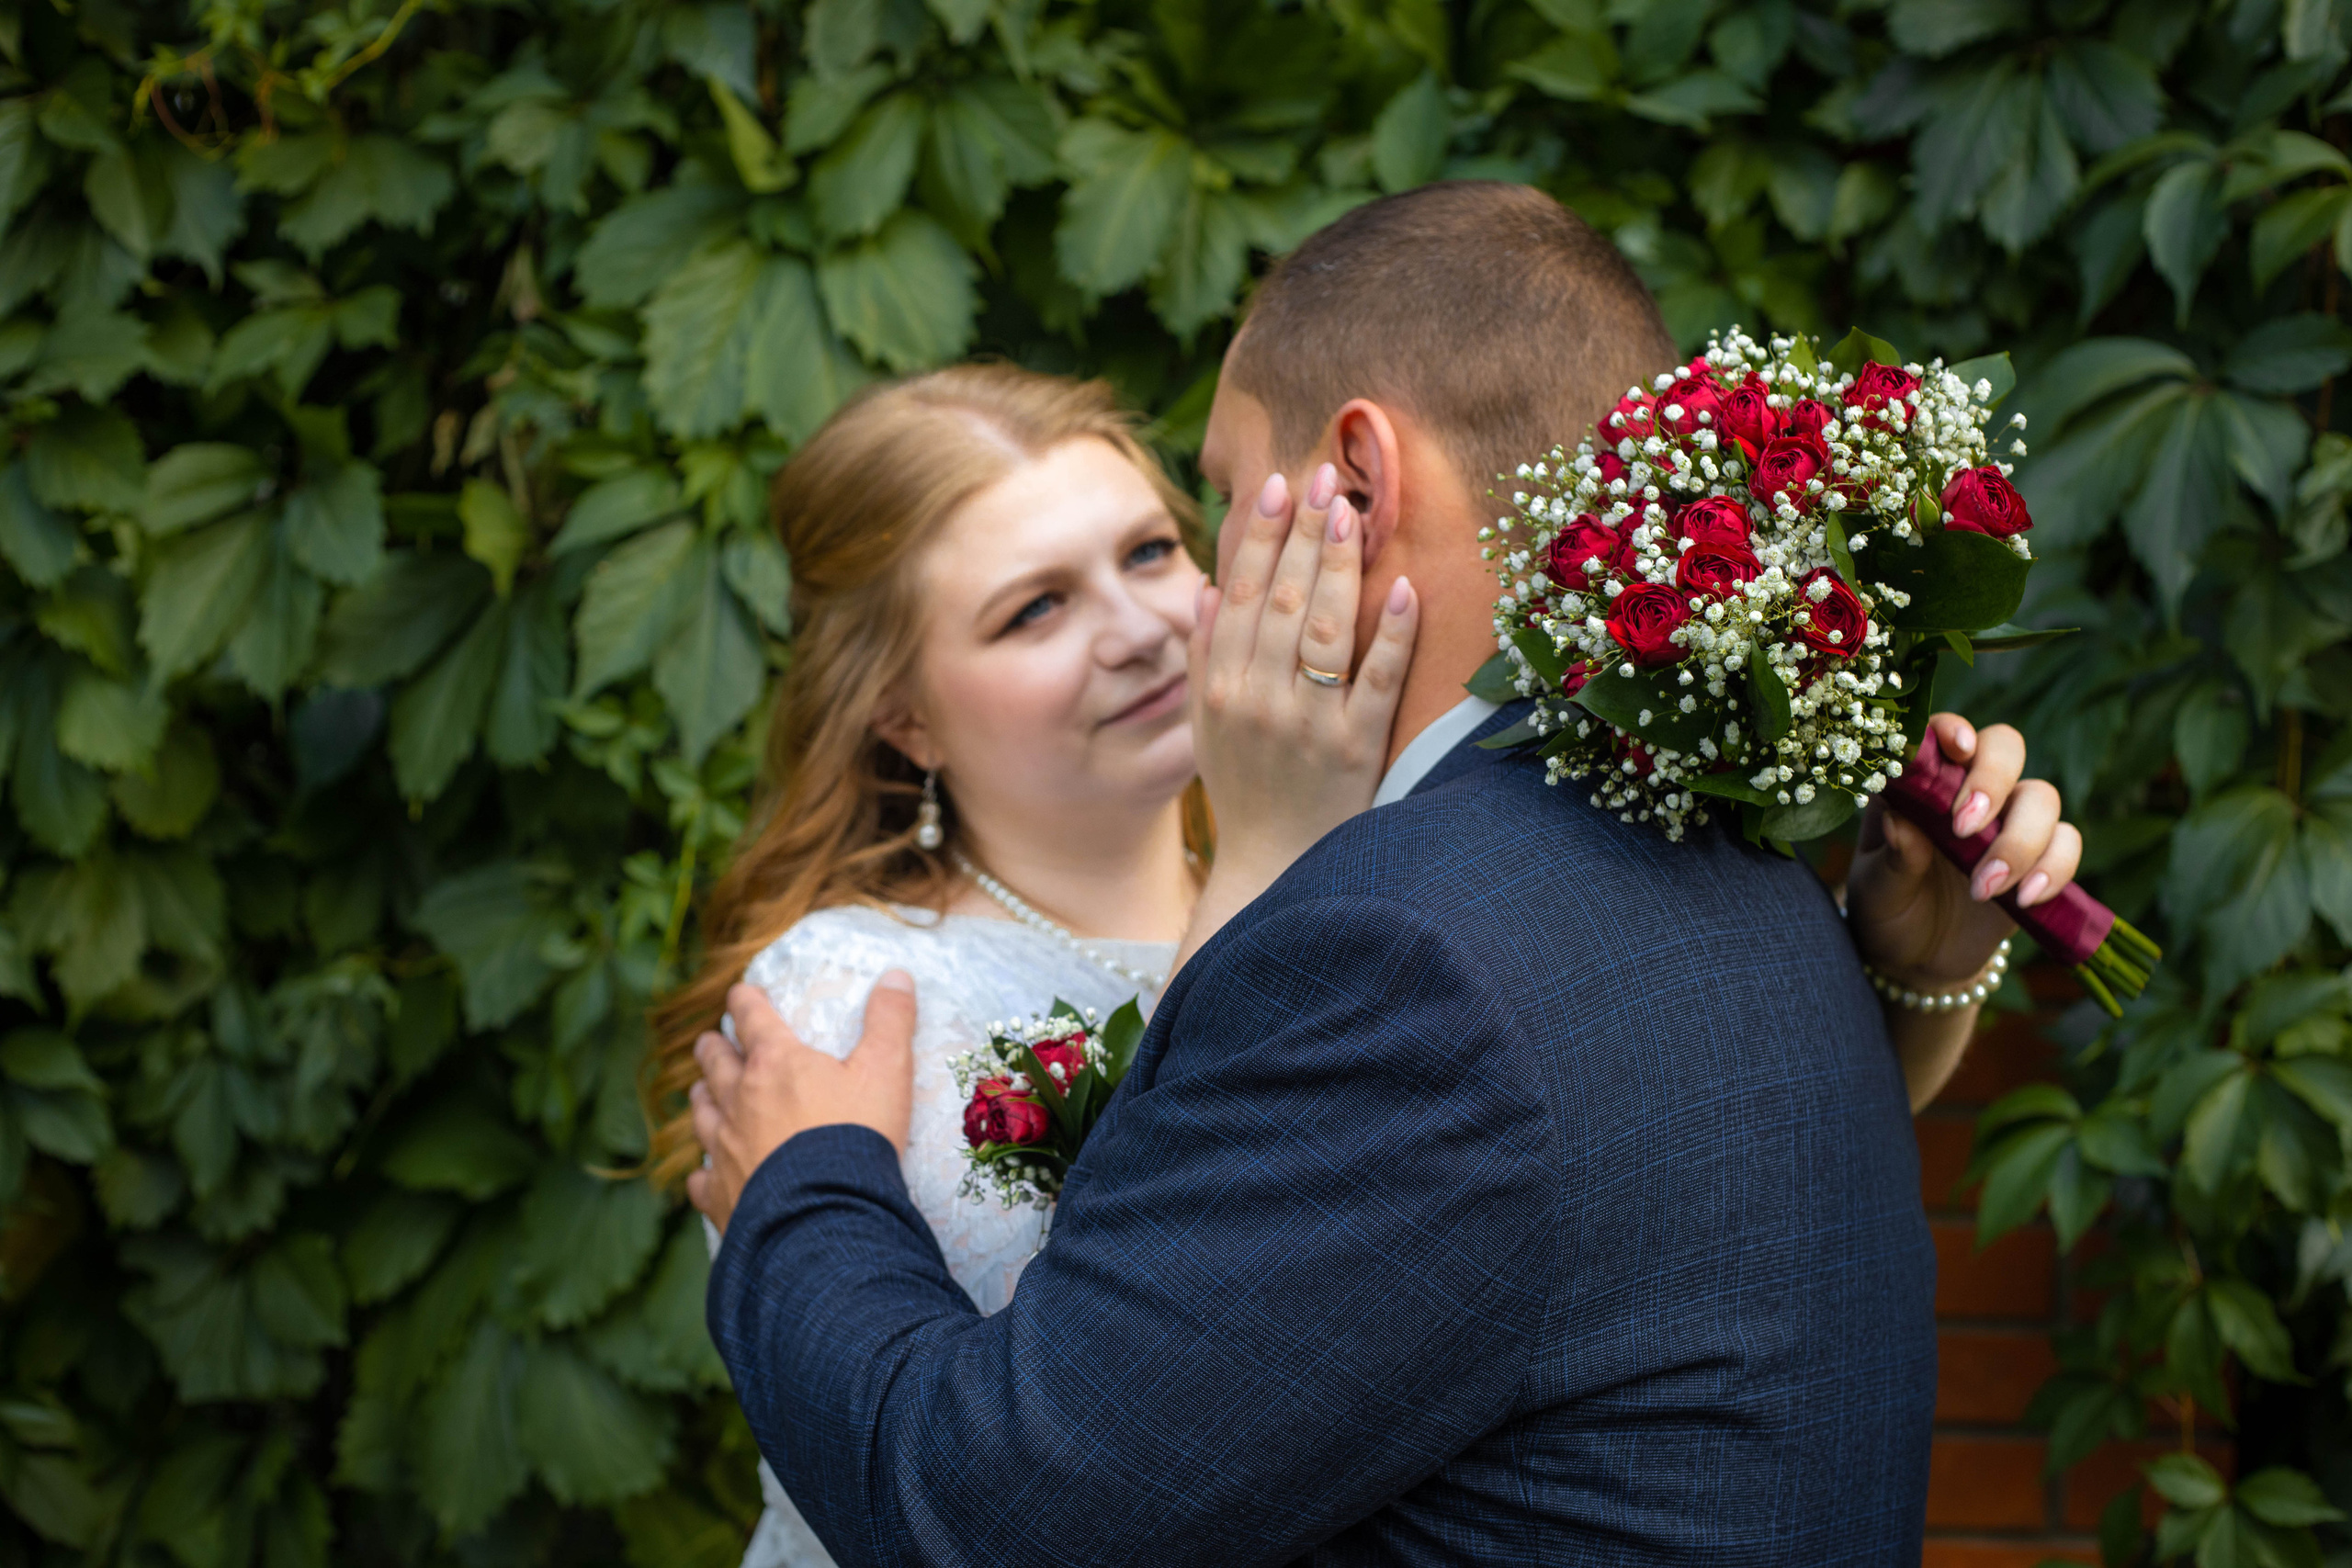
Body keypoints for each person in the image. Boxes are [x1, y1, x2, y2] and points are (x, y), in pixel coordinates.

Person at [684, 184, 2085, 1565]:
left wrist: (797, 1192)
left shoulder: (1389, 947)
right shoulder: (1714, 855)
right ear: (902, 712)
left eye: (1196, 521)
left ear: (1356, 482)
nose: (1178, 614)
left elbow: (995, 1509)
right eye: (1035, 605)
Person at [646, 363, 1419, 1568]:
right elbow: (1098, 1406)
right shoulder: (853, 998)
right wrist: (1269, 854)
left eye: (1152, 552)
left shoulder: (1371, 881)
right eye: (1035, 610)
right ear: (903, 715)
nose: (1140, 629)